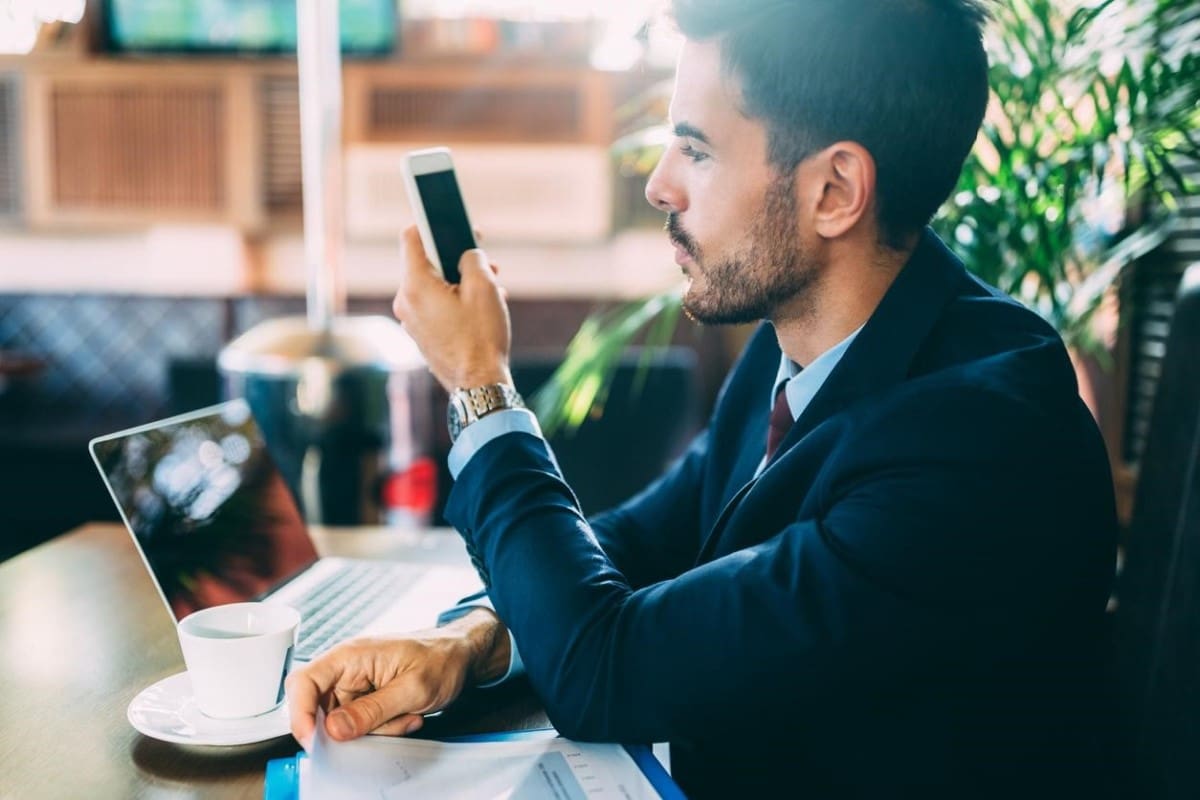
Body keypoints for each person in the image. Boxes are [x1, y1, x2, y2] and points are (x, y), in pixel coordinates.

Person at [286, 0, 1120, 796]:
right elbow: (639, 543)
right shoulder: (798, 340)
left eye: (697, 149)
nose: (658, 184)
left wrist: (480, 383)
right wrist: (473, 638)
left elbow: (602, 669)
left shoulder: (980, 444)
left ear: (835, 192)